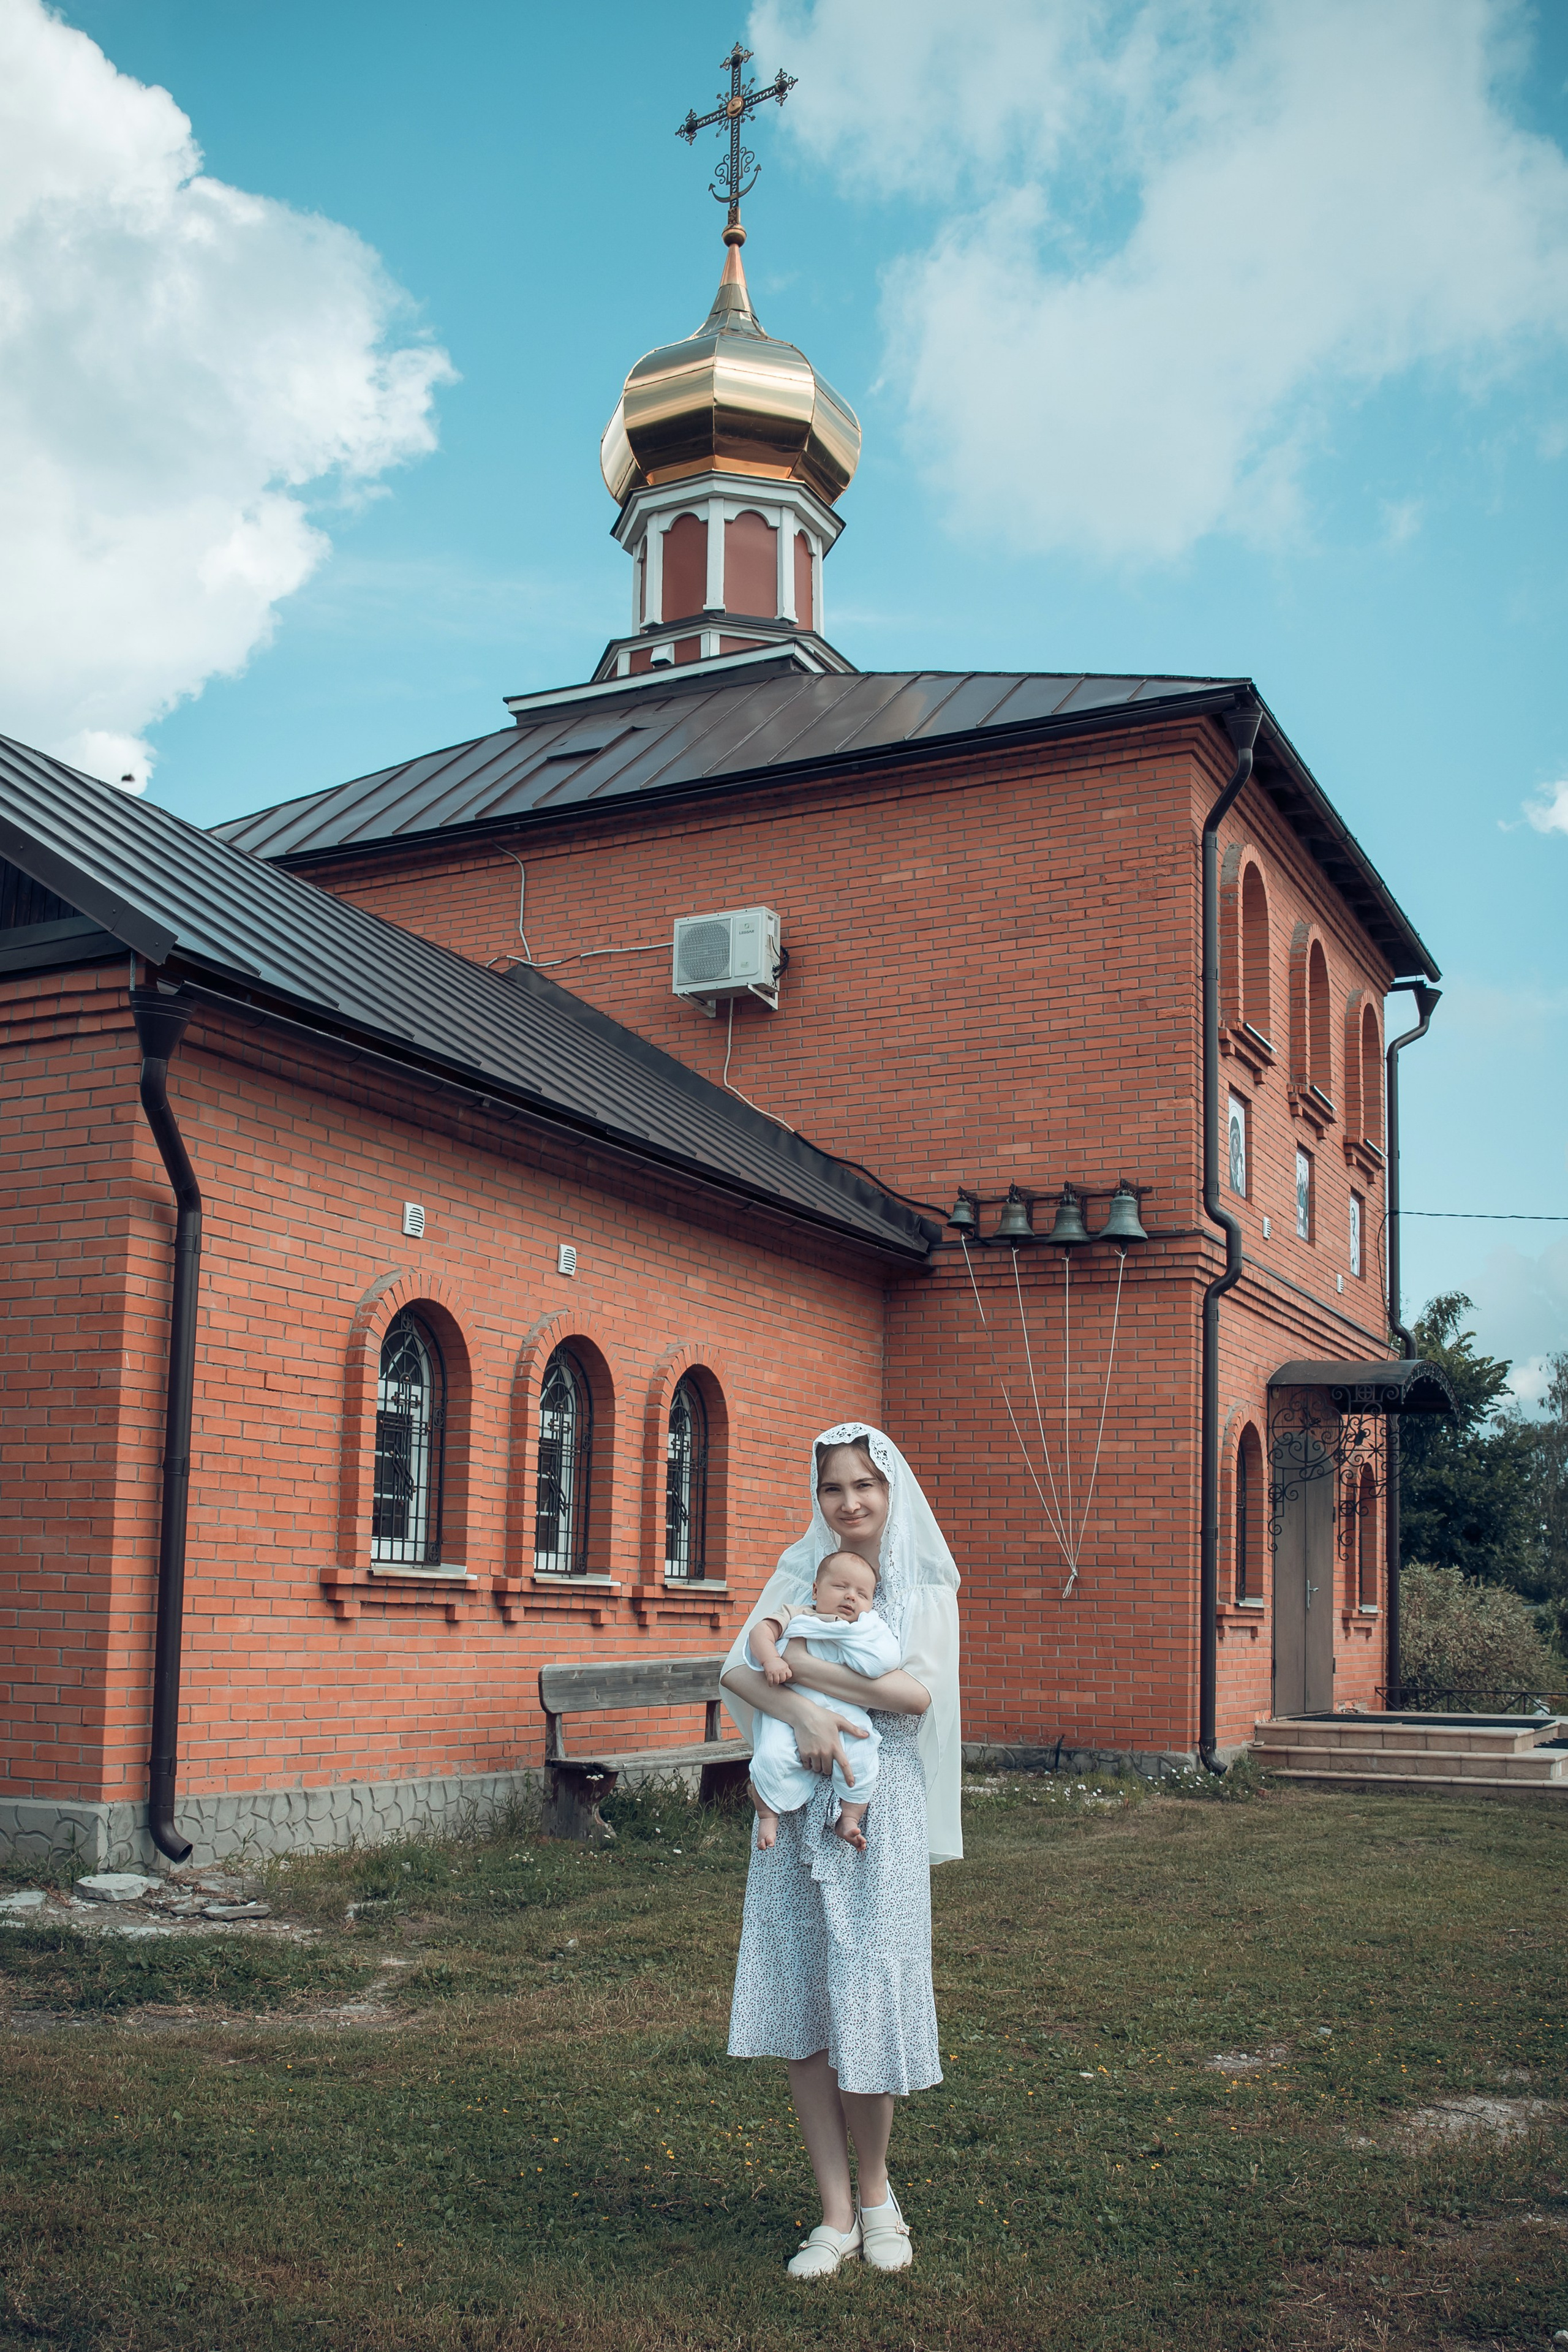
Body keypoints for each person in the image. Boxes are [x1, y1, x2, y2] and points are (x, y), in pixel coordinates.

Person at [722, 1422, 962, 2278]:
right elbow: (737, 1669)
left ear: (890, 1490)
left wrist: (808, 1675)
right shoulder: (800, 1572)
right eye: (833, 1487)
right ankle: (833, 2212)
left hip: (876, 1805)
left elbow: (915, 1695)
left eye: (865, 1484)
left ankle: (877, 2194)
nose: (849, 1501)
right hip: (796, 1796)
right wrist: (803, 1715)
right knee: (804, 1995)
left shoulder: (923, 1585)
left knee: (868, 1993)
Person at [746, 1547, 902, 1853]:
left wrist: (855, 1641)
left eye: (862, 1594)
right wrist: (771, 1660)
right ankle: (767, 1814)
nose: (851, 1597)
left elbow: (883, 1661)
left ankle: (850, 1817)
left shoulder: (865, 1629)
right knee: (771, 1755)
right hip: (792, 1704)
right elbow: (760, 1633)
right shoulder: (798, 1614)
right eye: (841, 1587)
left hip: (844, 1708)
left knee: (863, 1754)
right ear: (816, 1590)